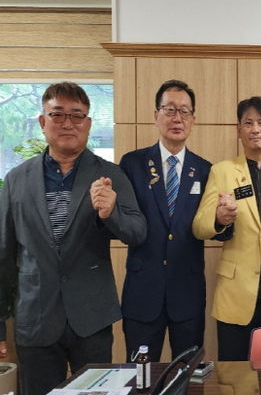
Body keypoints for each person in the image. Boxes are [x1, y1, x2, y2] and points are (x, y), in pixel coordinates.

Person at [0, 82, 146, 395]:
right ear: (43, 121)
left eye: (77, 116)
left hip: (92, 317)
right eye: (58, 114)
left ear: (88, 124)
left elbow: (137, 232)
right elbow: (4, 254)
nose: (68, 123)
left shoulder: (110, 174)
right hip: (36, 318)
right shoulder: (16, 179)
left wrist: (111, 213)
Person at [119, 80, 218, 362]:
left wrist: (222, 219)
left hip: (187, 294)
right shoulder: (132, 164)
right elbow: (123, 224)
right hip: (143, 293)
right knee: (140, 376)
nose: (177, 118)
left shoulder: (205, 170)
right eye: (170, 109)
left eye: (185, 111)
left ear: (193, 120)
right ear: (156, 115)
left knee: (187, 374)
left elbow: (215, 229)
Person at [193, 96, 261, 360]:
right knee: (232, 373)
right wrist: (218, 218)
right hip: (235, 295)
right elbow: (199, 226)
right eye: (248, 123)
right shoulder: (221, 171)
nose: (255, 129)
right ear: (238, 129)